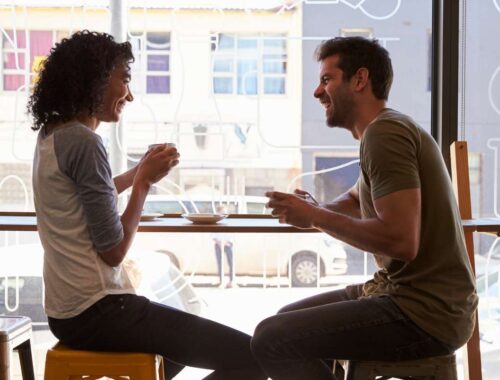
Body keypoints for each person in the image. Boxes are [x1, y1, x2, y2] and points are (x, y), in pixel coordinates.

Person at [29, 30, 266, 380]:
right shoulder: (84, 142)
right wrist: (143, 183)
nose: (131, 94)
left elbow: (85, 195)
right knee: (253, 357)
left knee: (174, 349)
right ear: (94, 79)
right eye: (124, 79)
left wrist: (137, 171)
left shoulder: (52, 134)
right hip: (101, 308)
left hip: (66, 313)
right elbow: (113, 251)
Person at [251, 36, 478, 380]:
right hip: (403, 295)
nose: (317, 92)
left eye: (327, 79)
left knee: (273, 339)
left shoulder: (384, 134)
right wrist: (317, 207)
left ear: (360, 80)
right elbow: (358, 201)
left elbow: (402, 241)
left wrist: (315, 217)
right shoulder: (384, 130)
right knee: (282, 322)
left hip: (426, 312)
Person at [212, 205, 237, 288]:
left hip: (228, 244)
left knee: (231, 263)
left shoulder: (229, 221)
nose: (224, 214)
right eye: (222, 212)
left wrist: (226, 242)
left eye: (225, 212)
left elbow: (232, 233)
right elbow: (212, 234)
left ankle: (232, 282)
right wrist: (219, 243)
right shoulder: (215, 221)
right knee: (220, 263)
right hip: (218, 244)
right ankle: (221, 282)